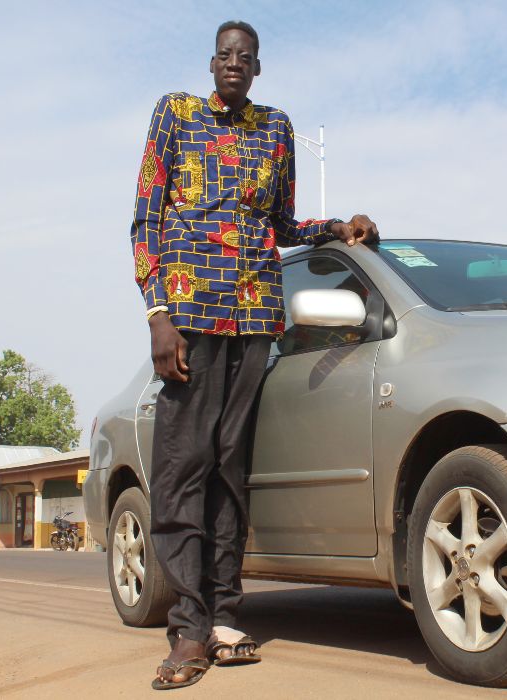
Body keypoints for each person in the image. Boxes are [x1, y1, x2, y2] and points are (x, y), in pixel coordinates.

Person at [129, 20, 378, 690]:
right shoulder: (175, 114)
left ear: (258, 69)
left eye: (247, 58)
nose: (234, 65)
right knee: (183, 469)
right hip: (189, 316)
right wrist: (158, 314)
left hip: (254, 316)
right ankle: (187, 630)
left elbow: (283, 225)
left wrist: (337, 229)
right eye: (225, 55)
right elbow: (146, 218)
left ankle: (226, 617)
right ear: (212, 63)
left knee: (229, 469)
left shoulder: (276, 128)